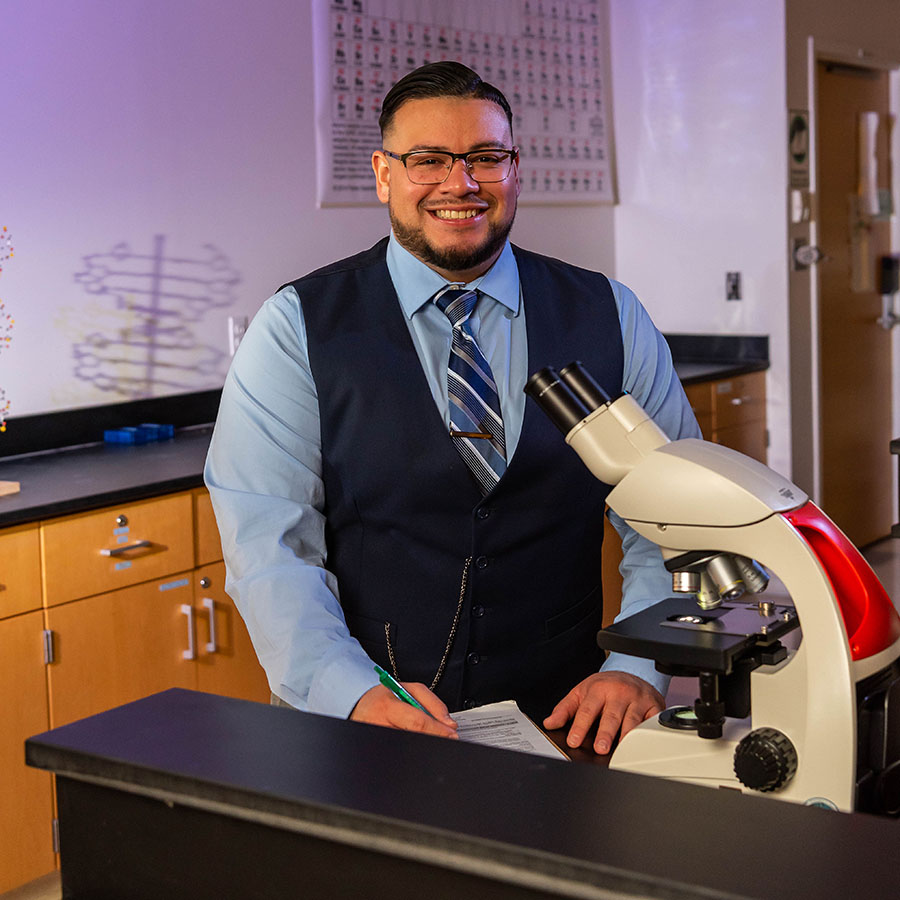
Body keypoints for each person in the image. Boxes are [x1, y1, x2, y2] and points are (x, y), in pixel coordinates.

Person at [204, 61, 701, 754]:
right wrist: (347, 691)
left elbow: (675, 516)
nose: (460, 183)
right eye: (428, 160)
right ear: (384, 174)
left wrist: (638, 665)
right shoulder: (296, 327)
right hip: (366, 716)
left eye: (486, 158)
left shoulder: (609, 316)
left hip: (567, 715)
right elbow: (270, 546)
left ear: (515, 169)